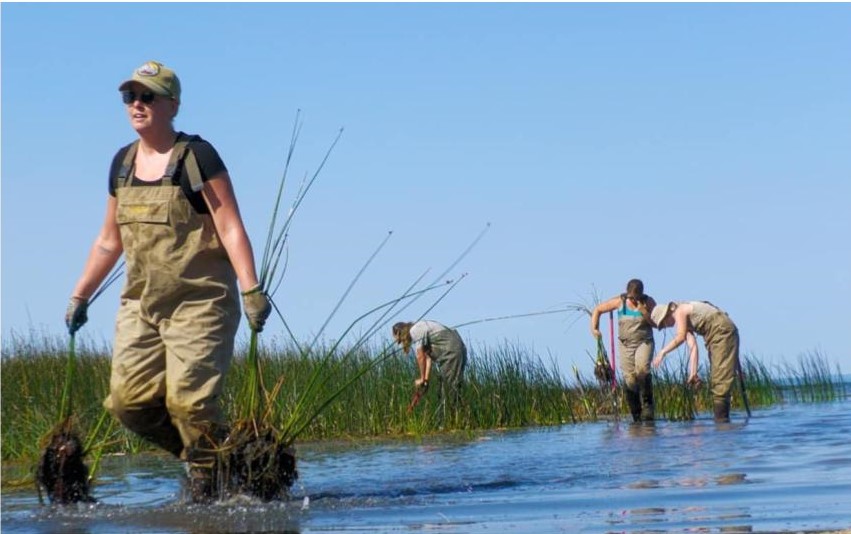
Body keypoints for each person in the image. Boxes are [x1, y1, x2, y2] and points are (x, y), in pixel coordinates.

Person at [65, 60, 271, 503]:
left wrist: (251, 289)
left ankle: (208, 485)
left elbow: (230, 225)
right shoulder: (121, 164)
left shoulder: (197, 157)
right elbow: (108, 241)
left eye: (148, 96)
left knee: (190, 403)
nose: (137, 105)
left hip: (201, 303)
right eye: (130, 97)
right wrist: (80, 295)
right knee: (129, 404)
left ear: (172, 104)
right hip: (141, 305)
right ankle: (218, 461)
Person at [651, 301, 740, 423]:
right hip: (715, 334)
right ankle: (722, 423)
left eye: (663, 323)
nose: (666, 326)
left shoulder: (680, 311)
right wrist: (693, 373)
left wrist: (662, 352)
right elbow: (693, 347)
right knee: (718, 376)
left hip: (721, 331)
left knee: (720, 381)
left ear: (667, 313)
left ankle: (722, 427)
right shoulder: (684, 320)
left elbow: (680, 337)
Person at [590, 279, 657, 422]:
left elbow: (657, 324)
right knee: (630, 379)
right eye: (632, 297)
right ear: (627, 294)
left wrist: (645, 313)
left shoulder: (649, 302)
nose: (634, 300)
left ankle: (648, 406)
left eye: (637, 297)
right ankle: (636, 415)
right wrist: (594, 328)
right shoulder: (620, 302)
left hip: (644, 342)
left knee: (642, 371)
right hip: (625, 345)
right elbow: (598, 310)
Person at [392, 320, 467, 404]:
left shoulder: (415, 330)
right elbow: (428, 357)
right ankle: (454, 413)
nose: (401, 343)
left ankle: (453, 414)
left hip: (451, 352)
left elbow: (421, 356)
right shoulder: (421, 330)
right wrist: (425, 380)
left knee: (449, 391)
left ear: (400, 333)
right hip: (454, 350)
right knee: (445, 391)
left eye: (400, 340)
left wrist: (421, 378)